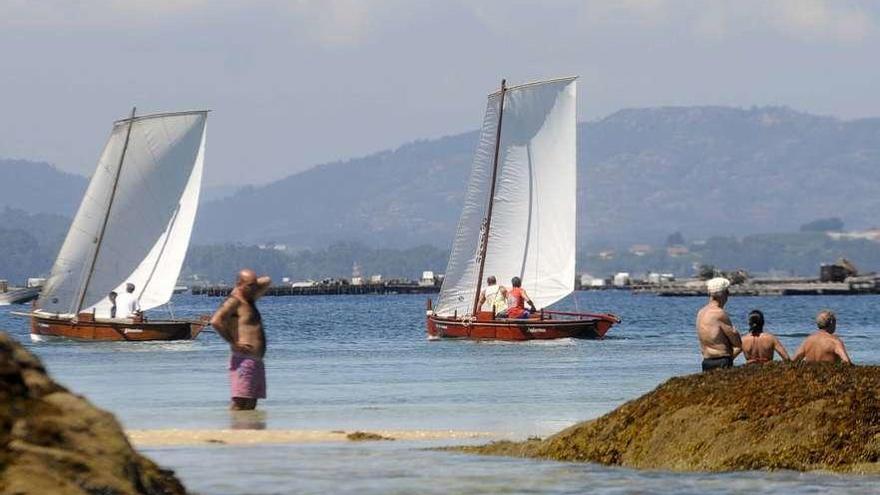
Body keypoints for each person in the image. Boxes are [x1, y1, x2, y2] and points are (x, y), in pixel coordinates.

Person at [210, 269, 272, 410]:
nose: (254, 288)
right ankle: (233, 428)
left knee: (252, 402)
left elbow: (267, 280)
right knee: (240, 401)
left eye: (254, 285)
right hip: (244, 360)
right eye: (250, 285)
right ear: (239, 283)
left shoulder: (249, 299)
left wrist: (252, 284)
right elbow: (216, 321)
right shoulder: (234, 301)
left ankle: (249, 429)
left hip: (256, 361)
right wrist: (233, 342)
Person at [695, 277, 742, 371]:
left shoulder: (701, 312)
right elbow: (737, 343)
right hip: (721, 361)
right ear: (722, 294)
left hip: (706, 361)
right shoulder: (719, 313)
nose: (728, 295)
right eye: (727, 292)